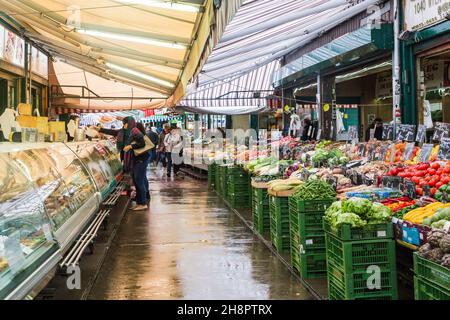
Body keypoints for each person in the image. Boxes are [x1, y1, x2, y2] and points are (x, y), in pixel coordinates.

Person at [123, 124, 151, 211]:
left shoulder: (135, 131)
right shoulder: (136, 132)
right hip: (140, 159)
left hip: (141, 159)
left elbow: (141, 143)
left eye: (124, 124)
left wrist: (130, 146)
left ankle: (142, 203)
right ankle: (140, 202)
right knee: (139, 180)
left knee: (139, 181)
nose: (124, 126)